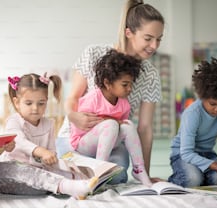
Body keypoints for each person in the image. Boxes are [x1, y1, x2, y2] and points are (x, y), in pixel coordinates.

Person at [57, 0, 164, 183]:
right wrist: (73, 115)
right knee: (70, 176)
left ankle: (97, 170)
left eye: (159, 39)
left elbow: (145, 129)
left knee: (117, 177)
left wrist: (144, 172)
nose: (154, 46)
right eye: (148, 38)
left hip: (112, 141)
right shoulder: (93, 53)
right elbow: (72, 98)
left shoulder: (151, 75)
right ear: (129, 32)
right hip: (76, 137)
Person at [0, 73, 98, 199]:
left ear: (46, 102)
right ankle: (69, 187)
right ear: (17, 103)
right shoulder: (14, 121)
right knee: (34, 175)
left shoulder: (49, 124)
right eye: (28, 103)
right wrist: (40, 151)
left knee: (64, 169)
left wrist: (52, 158)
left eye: (41, 103)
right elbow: (19, 140)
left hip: (40, 168)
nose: (35, 108)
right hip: (15, 171)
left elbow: (51, 151)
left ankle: (83, 183)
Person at [70, 49, 152, 186]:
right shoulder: (93, 99)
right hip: (83, 142)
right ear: (107, 83)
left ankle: (139, 169)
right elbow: (84, 125)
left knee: (128, 125)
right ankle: (99, 169)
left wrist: (119, 125)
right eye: (125, 84)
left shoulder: (124, 104)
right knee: (112, 124)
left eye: (131, 84)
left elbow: (122, 128)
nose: (130, 89)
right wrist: (113, 122)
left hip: (106, 143)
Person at [168, 57, 217, 188]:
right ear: (202, 96)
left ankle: (203, 175)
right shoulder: (193, 113)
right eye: (213, 104)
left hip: (207, 154)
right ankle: (175, 179)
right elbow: (186, 153)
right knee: (193, 179)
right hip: (182, 155)